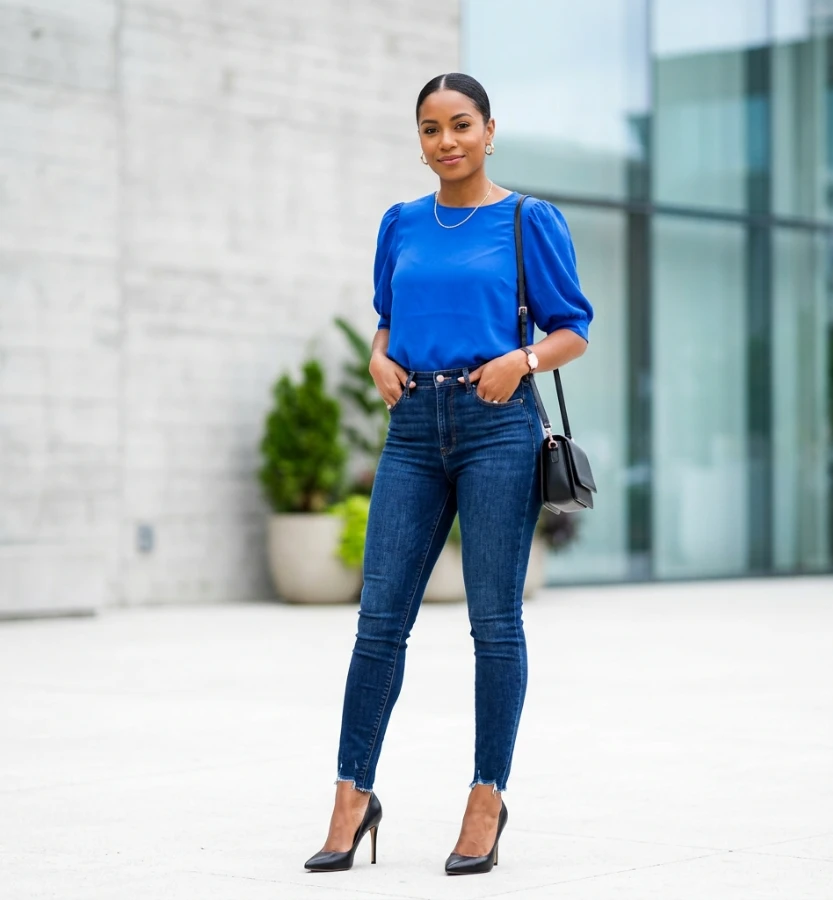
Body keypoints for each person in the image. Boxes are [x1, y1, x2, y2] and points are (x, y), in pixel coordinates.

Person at [304, 72, 593, 877]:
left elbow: (574, 328)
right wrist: (375, 359)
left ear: (490, 130)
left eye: (460, 125)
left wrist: (521, 359)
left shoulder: (527, 219)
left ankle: (486, 799)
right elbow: (389, 322)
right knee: (378, 621)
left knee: (493, 624)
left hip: (497, 424)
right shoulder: (401, 223)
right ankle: (352, 797)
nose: (446, 142)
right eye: (430, 129)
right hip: (411, 429)